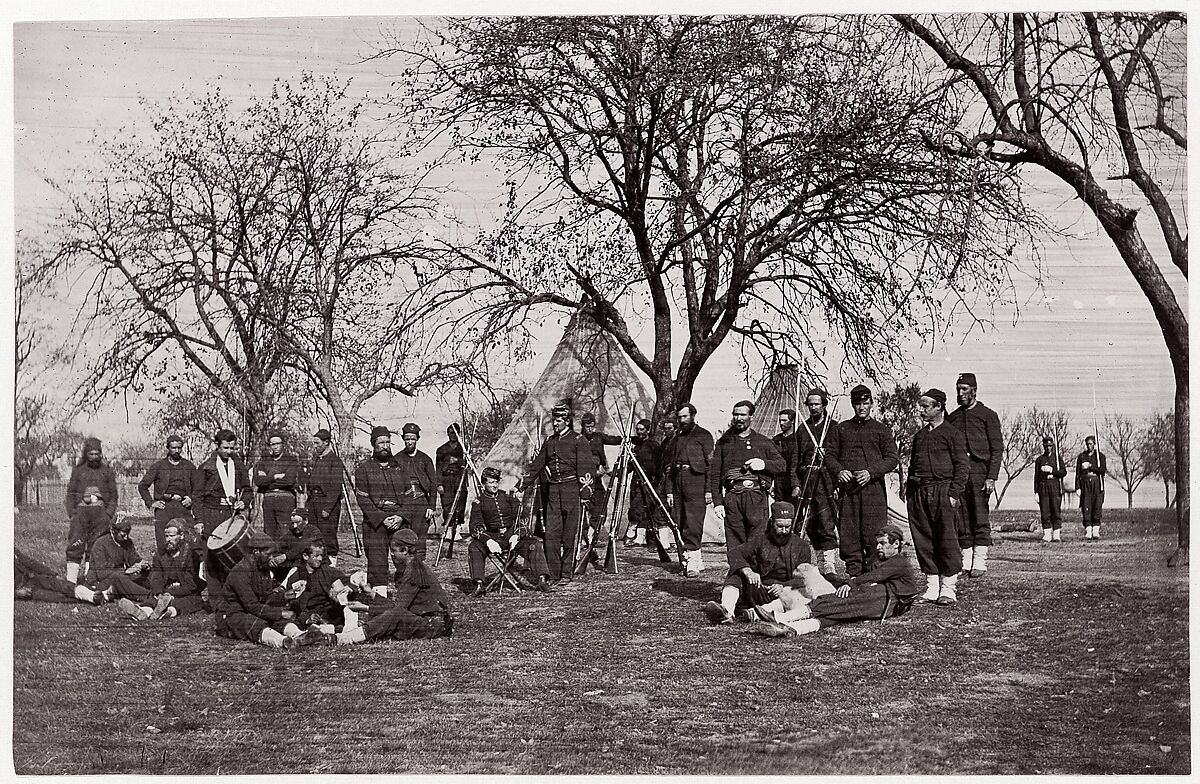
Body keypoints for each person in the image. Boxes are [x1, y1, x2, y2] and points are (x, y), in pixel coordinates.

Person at [752, 524, 920, 637]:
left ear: (896, 543)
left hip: (889, 600)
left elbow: (873, 576)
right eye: (877, 544)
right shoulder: (884, 559)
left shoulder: (899, 561)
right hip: (885, 599)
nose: (878, 548)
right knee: (842, 613)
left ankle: (782, 619)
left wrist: (850, 583)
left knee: (842, 601)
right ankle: (793, 629)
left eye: (883, 544)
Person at [327, 529, 454, 645]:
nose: (391, 555)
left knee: (394, 616)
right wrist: (371, 593)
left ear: (404, 550)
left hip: (432, 625)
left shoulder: (414, 572)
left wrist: (366, 608)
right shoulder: (415, 567)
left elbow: (398, 610)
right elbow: (398, 606)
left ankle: (345, 638)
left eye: (394, 551)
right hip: (428, 622)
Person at [825, 385, 899, 577]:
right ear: (852, 404)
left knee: (874, 534)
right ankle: (854, 577)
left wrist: (871, 472)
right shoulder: (841, 429)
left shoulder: (881, 430)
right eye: (858, 404)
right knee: (849, 534)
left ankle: (873, 578)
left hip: (873, 492)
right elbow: (829, 456)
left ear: (872, 404)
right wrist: (839, 471)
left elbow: (892, 459)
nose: (862, 407)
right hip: (848, 493)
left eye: (865, 403)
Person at [702, 501, 813, 624]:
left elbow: (804, 578)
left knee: (798, 594)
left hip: (784, 594)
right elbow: (735, 553)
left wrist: (783, 586)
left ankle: (758, 614)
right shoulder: (760, 539)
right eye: (779, 526)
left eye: (787, 527)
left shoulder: (801, 546)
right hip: (760, 590)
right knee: (737, 571)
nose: (783, 531)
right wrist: (748, 571)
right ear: (771, 522)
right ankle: (727, 611)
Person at [906, 388, 968, 606]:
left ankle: (948, 589)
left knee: (947, 540)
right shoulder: (920, 436)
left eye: (925, 406)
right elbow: (912, 466)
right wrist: (910, 495)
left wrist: (953, 493)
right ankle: (932, 588)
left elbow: (962, 466)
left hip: (943, 492)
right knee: (924, 539)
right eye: (920, 406)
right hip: (919, 494)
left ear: (939, 407)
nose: (920, 410)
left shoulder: (953, 434)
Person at [215, 532, 322, 650]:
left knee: (274, 618)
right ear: (256, 552)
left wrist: (285, 596)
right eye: (268, 554)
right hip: (231, 616)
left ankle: (298, 634)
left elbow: (266, 598)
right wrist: (280, 613)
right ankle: (283, 641)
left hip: (252, 611)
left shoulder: (263, 569)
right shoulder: (240, 572)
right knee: (254, 622)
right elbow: (252, 606)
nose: (271, 558)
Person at [708, 400, 786, 558]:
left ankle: (756, 579)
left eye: (743, 414)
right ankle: (737, 580)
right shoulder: (724, 442)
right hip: (733, 497)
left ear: (751, 416)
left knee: (758, 541)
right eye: (735, 414)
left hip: (756, 498)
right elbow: (715, 474)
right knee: (735, 542)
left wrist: (763, 463)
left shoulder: (762, 441)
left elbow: (782, 465)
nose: (738, 418)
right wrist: (718, 503)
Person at [523, 403, 590, 583]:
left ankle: (567, 573)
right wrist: (520, 486)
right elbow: (536, 466)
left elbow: (586, 469)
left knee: (570, 533)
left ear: (567, 421)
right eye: (554, 421)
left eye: (558, 421)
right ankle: (554, 573)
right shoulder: (550, 441)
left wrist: (585, 495)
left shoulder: (579, 440)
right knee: (551, 534)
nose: (555, 424)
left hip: (572, 490)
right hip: (553, 492)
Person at [946, 373, 1003, 578]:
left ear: (974, 390)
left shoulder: (988, 415)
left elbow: (997, 449)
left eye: (964, 389)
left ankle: (980, 560)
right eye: (958, 389)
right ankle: (966, 559)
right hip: (959, 473)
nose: (960, 393)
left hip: (980, 471)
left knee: (979, 515)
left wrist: (991, 477)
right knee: (961, 517)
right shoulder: (953, 418)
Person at [467, 466, 552, 595]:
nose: (495, 485)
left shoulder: (507, 496)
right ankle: (479, 584)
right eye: (491, 482)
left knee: (534, 544)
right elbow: (475, 526)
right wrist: (488, 540)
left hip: (511, 536)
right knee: (474, 547)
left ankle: (542, 580)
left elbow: (522, 517)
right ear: (484, 483)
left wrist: (517, 535)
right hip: (492, 538)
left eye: (496, 482)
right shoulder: (479, 502)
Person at [193, 428, 253, 607]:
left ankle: (232, 600)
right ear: (217, 446)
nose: (229, 452)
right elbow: (197, 497)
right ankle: (216, 602)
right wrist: (200, 520)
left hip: (231, 515)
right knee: (212, 557)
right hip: (211, 514)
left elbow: (248, 490)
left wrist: (244, 502)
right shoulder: (206, 467)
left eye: (232, 448)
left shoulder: (239, 465)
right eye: (225, 448)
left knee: (234, 557)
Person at [354, 425, 410, 596]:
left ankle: (407, 593)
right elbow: (363, 499)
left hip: (398, 519)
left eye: (388, 442)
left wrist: (400, 516)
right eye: (381, 443)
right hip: (376, 522)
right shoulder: (364, 469)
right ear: (373, 444)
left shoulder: (400, 468)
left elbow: (409, 497)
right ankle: (379, 596)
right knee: (377, 560)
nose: (385, 446)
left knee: (405, 557)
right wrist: (381, 518)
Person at [793, 389, 841, 576]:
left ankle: (828, 564)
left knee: (826, 522)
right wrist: (796, 483)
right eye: (810, 404)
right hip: (807, 480)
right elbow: (795, 460)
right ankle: (814, 563)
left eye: (817, 404)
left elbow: (839, 459)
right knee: (808, 524)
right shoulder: (803, 429)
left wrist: (837, 483)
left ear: (824, 405)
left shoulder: (834, 427)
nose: (813, 407)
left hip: (826, 481)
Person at [665, 403, 715, 578]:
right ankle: (693, 559)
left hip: (696, 482)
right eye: (679, 417)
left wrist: (709, 490)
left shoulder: (704, 435)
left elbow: (711, 465)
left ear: (693, 416)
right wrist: (669, 491)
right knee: (679, 520)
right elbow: (669, 468)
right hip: (678, 480)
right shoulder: (677, 438)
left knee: (693, 522)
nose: (681, 420)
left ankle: (692, 561)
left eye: (685, 417)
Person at [64, 437, 119, 584]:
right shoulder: (78, 471)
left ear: (101, 454)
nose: (94, 457)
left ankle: (90, 579)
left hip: (101, 516)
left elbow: (113, 495)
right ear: (86, 454)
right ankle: (71, 580)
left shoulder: (107, 472)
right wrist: (73, 513)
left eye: (97, 454)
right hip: (81, 514)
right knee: (76, 543)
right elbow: (70, 494)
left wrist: (108, 514)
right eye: (91, 454)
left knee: (96, 545)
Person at [137, 434, 197, 555]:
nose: (176, 451)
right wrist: (151, 503)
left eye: (179, 448)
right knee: (164, 543)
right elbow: (142, 486)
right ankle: (164, 571)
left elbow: (198, 488)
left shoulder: (189, 466)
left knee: (187, 539)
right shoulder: (158, 466)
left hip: (183, 507)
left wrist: (191, 498)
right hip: (164, 508)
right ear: (168, 448)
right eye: (173, 448)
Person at [578, 412, 624, 569]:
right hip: (583, 481)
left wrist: (629, 439)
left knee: (602, 505)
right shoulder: (578, 440)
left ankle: (592, 530)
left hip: (597, 480)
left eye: (592, 426)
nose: (590, 429)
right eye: (587, 426)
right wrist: (593, 470)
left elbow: (614, 440)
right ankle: (584, 541)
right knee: (582, 511)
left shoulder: (598, 437)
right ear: (582, 426)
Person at [85, 517, 155, 619]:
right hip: (101, 582)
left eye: (127, 534)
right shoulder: (101, 544)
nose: (126, 537)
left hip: (120, 577)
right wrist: (126, 571)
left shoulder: (127, 543)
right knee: (119, 578)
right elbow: (101, 573)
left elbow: (134, 559)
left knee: (148, 572)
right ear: (113, 531)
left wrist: (142, 564)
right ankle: (149, 597)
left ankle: (162, 591)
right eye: (123, 535)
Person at [389, 422, 438, 561]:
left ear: (417, 439)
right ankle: (403, 573)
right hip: (403, 504)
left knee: (419, 541)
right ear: (403, 439)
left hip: (421, 503)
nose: (410, 442)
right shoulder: (397, 459)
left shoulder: (425, 459)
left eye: (413, 439)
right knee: (402, 539)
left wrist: (431, 507)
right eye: (407, 438)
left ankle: (419, 572)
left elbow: (433, 484)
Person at [283, 543, 353, 631]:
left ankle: (332, 628)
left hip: (329, 611)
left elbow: (348, 581)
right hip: (309, 612)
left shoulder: (327, 571)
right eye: (316, 556)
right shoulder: (296, 578)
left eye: (321, 556)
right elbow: (294, 605)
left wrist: (347, 590)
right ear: (305, 556)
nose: (320, 559)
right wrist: (307, 619)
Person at [146, 520, 205, 618]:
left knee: (185, 603)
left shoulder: (190, 554)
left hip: (185, 593)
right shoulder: (161, 554)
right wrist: (159, 592)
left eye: (172, 536)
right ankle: (142, 612)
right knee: (152, 600)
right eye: (167, 536)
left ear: (181, 536)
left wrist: (170, 594)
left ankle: (166, 613)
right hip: (165, 591)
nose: (168, 539)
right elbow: (156, 576)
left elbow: (192, 585)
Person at [307, 428, 348, 565]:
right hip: (314, 502)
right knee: (314, 535)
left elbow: (336, 487)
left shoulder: (334, 461)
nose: (315, 446)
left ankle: (331, 566)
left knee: (328, 536)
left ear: (326, 443)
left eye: (317, 443)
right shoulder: (317, 460)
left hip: (327, 504)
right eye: (314, 443)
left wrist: (328, 508)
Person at [253, 432, 304, 540]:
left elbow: (289, 481)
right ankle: (270, 555)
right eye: (272, 444)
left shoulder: (291, 460)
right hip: (269, 499)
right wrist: (275, 477)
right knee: (269, 531)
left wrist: (267, 481)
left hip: (285, 499)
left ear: (283, 444)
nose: (275, 447)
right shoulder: (264, 461)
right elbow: (258, 481)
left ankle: (284, 555)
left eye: (278, 443)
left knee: (285, 531)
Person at [625, 419, 667, 547]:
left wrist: (654, 478)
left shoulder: (653, 446)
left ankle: (633, 534)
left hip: (648, 482)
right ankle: (639, 538)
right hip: (636, 482)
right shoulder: (636, 447)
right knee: (637, 507)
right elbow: (631, 465)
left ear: (648, 430)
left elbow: (657, 465)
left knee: (640, 509)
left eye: (642, 429)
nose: (639, 432)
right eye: (637, 430)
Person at [15, 548, 105, 605]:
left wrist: (52, 574)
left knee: (61, 584)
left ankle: (92, 594)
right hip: (24, 588)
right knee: (55, 596)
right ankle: (90, 599)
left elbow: (29, 562)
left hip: (33, 578)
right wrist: (16, 593)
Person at [435, 425, 469, 546]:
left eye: (455, 433)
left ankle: (458, 530)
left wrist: (458, 461)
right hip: (446, 479)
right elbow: (438, 468)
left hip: (459, 479)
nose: (453, 435)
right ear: (448, 433)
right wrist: (439, 484)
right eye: (451, 433)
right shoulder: (441, 449)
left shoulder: (464, 449)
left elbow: (468, 464)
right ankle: (448, 530)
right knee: (447, 504)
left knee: (460, 503)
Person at [1034, 437, 1068, 543]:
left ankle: (1056, 534)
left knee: (1055, 510)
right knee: (1045, 511)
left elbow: (1063, 472)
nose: (1048, 448)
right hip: (1043, 487)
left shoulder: (1057, 458)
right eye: (1046, 446)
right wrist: (1036, 492)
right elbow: (1036, 477)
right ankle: (1047, 534)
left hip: (1054, 486)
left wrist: (1052, 470)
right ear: (1043, 446)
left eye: (1050, 446)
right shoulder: (1040, 460)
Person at [275, 507, 325, 575]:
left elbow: (304, 546)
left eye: (298, 522)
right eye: (292, 523)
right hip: (299, 566)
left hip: (318, 566)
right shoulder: (292, 532)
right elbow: (280, 544)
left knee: (298, 562)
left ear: (306, 521)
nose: (295, 526)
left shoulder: (314, 531)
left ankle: (284, 585)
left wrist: (286, 556)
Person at [1076, 436, 1107, 540]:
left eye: (1091, 444)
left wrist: (1090, 466)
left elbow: (1103, 470)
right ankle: (1088, 530)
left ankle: (1095, 531)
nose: (1089, 446)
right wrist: (1078, 487)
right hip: (1085, 484)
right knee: (1086, 506)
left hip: (1097, 484)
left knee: (1097, 506)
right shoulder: (1081, 457)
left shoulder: (1100, 456)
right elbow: (1078, 474)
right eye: (1087, 444)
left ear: (1094, 444)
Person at [772, 409, 799, 503]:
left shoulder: (797, 438)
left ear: (792, 421)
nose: (781, 423)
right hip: (779, 480)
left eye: (784, 420)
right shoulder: (776, 439)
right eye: (780, 420)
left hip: (793, 479)